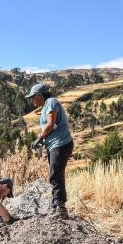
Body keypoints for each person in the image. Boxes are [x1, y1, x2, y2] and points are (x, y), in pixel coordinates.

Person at [25, 83, 74, 217]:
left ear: (39, 95)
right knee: (55, 173)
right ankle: (56, 204)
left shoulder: (51, 102)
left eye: (32, 97)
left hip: (60, 144)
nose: (32, 100)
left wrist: (39, 138)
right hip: (55, 145)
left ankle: (60, 208)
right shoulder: (46, 106)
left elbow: (50, 124)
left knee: (56, 174)